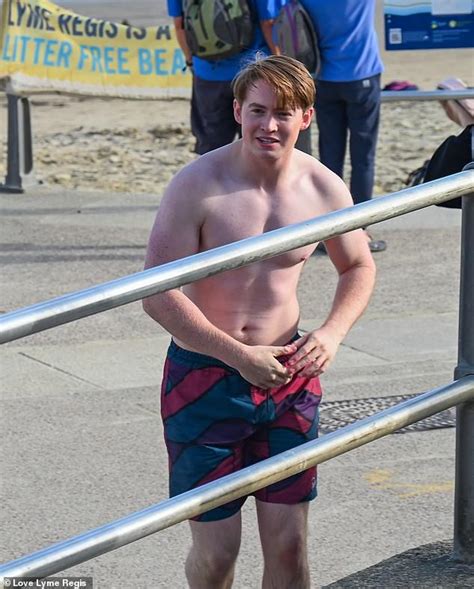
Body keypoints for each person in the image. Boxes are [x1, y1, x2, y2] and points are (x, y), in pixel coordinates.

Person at [143, 55, 376, 588]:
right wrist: (237, 356)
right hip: (205, 379)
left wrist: (332, 333)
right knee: (217, 555)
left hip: (289, 375)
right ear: (237, 111)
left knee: (290, 549)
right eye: (257, 111)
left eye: (283, 113)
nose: (269, 125)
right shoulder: (197, 184)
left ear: (306, 118)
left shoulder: (323, 188)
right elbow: (156, 292)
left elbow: (359, 265)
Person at [274, 0, 386, 252]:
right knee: (363, 158)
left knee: (330, 157)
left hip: (323, 78)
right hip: (361, 76)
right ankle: (360, 230)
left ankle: (330, 231)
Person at [167, 0, 279, 155]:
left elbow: (179, 25)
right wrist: (279, 63)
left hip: (208, 73)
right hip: (253, 71)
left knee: (212, 144)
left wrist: (190, 60)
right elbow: (268, 23)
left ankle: (211, 170)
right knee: (256, 141)